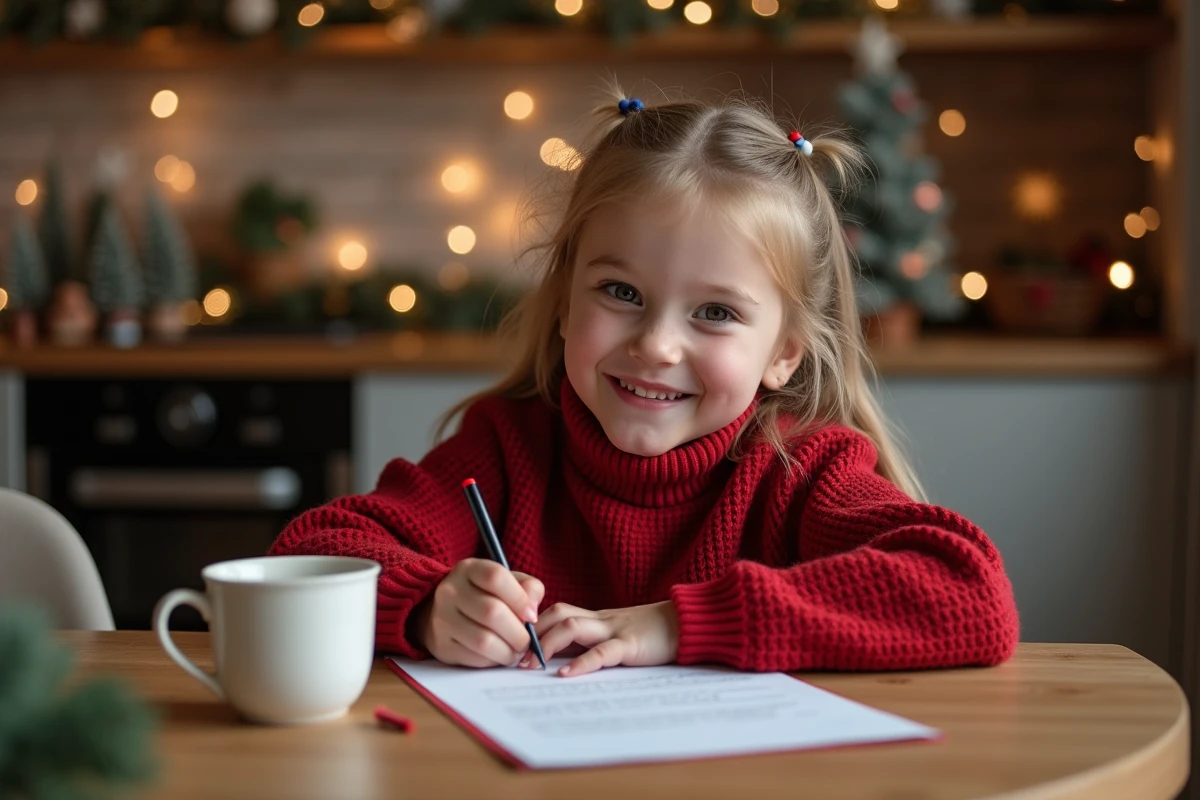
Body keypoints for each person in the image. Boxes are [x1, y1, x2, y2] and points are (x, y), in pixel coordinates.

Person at [271, 91, 1019, 678]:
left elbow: (969, 592)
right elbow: (309, 553)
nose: (657, 345)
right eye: (621, 292)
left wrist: (676, 623)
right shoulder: (506, 447)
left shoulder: (803, 469)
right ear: (564, 302)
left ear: (783, 355)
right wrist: (427, 605)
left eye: (716, 312)